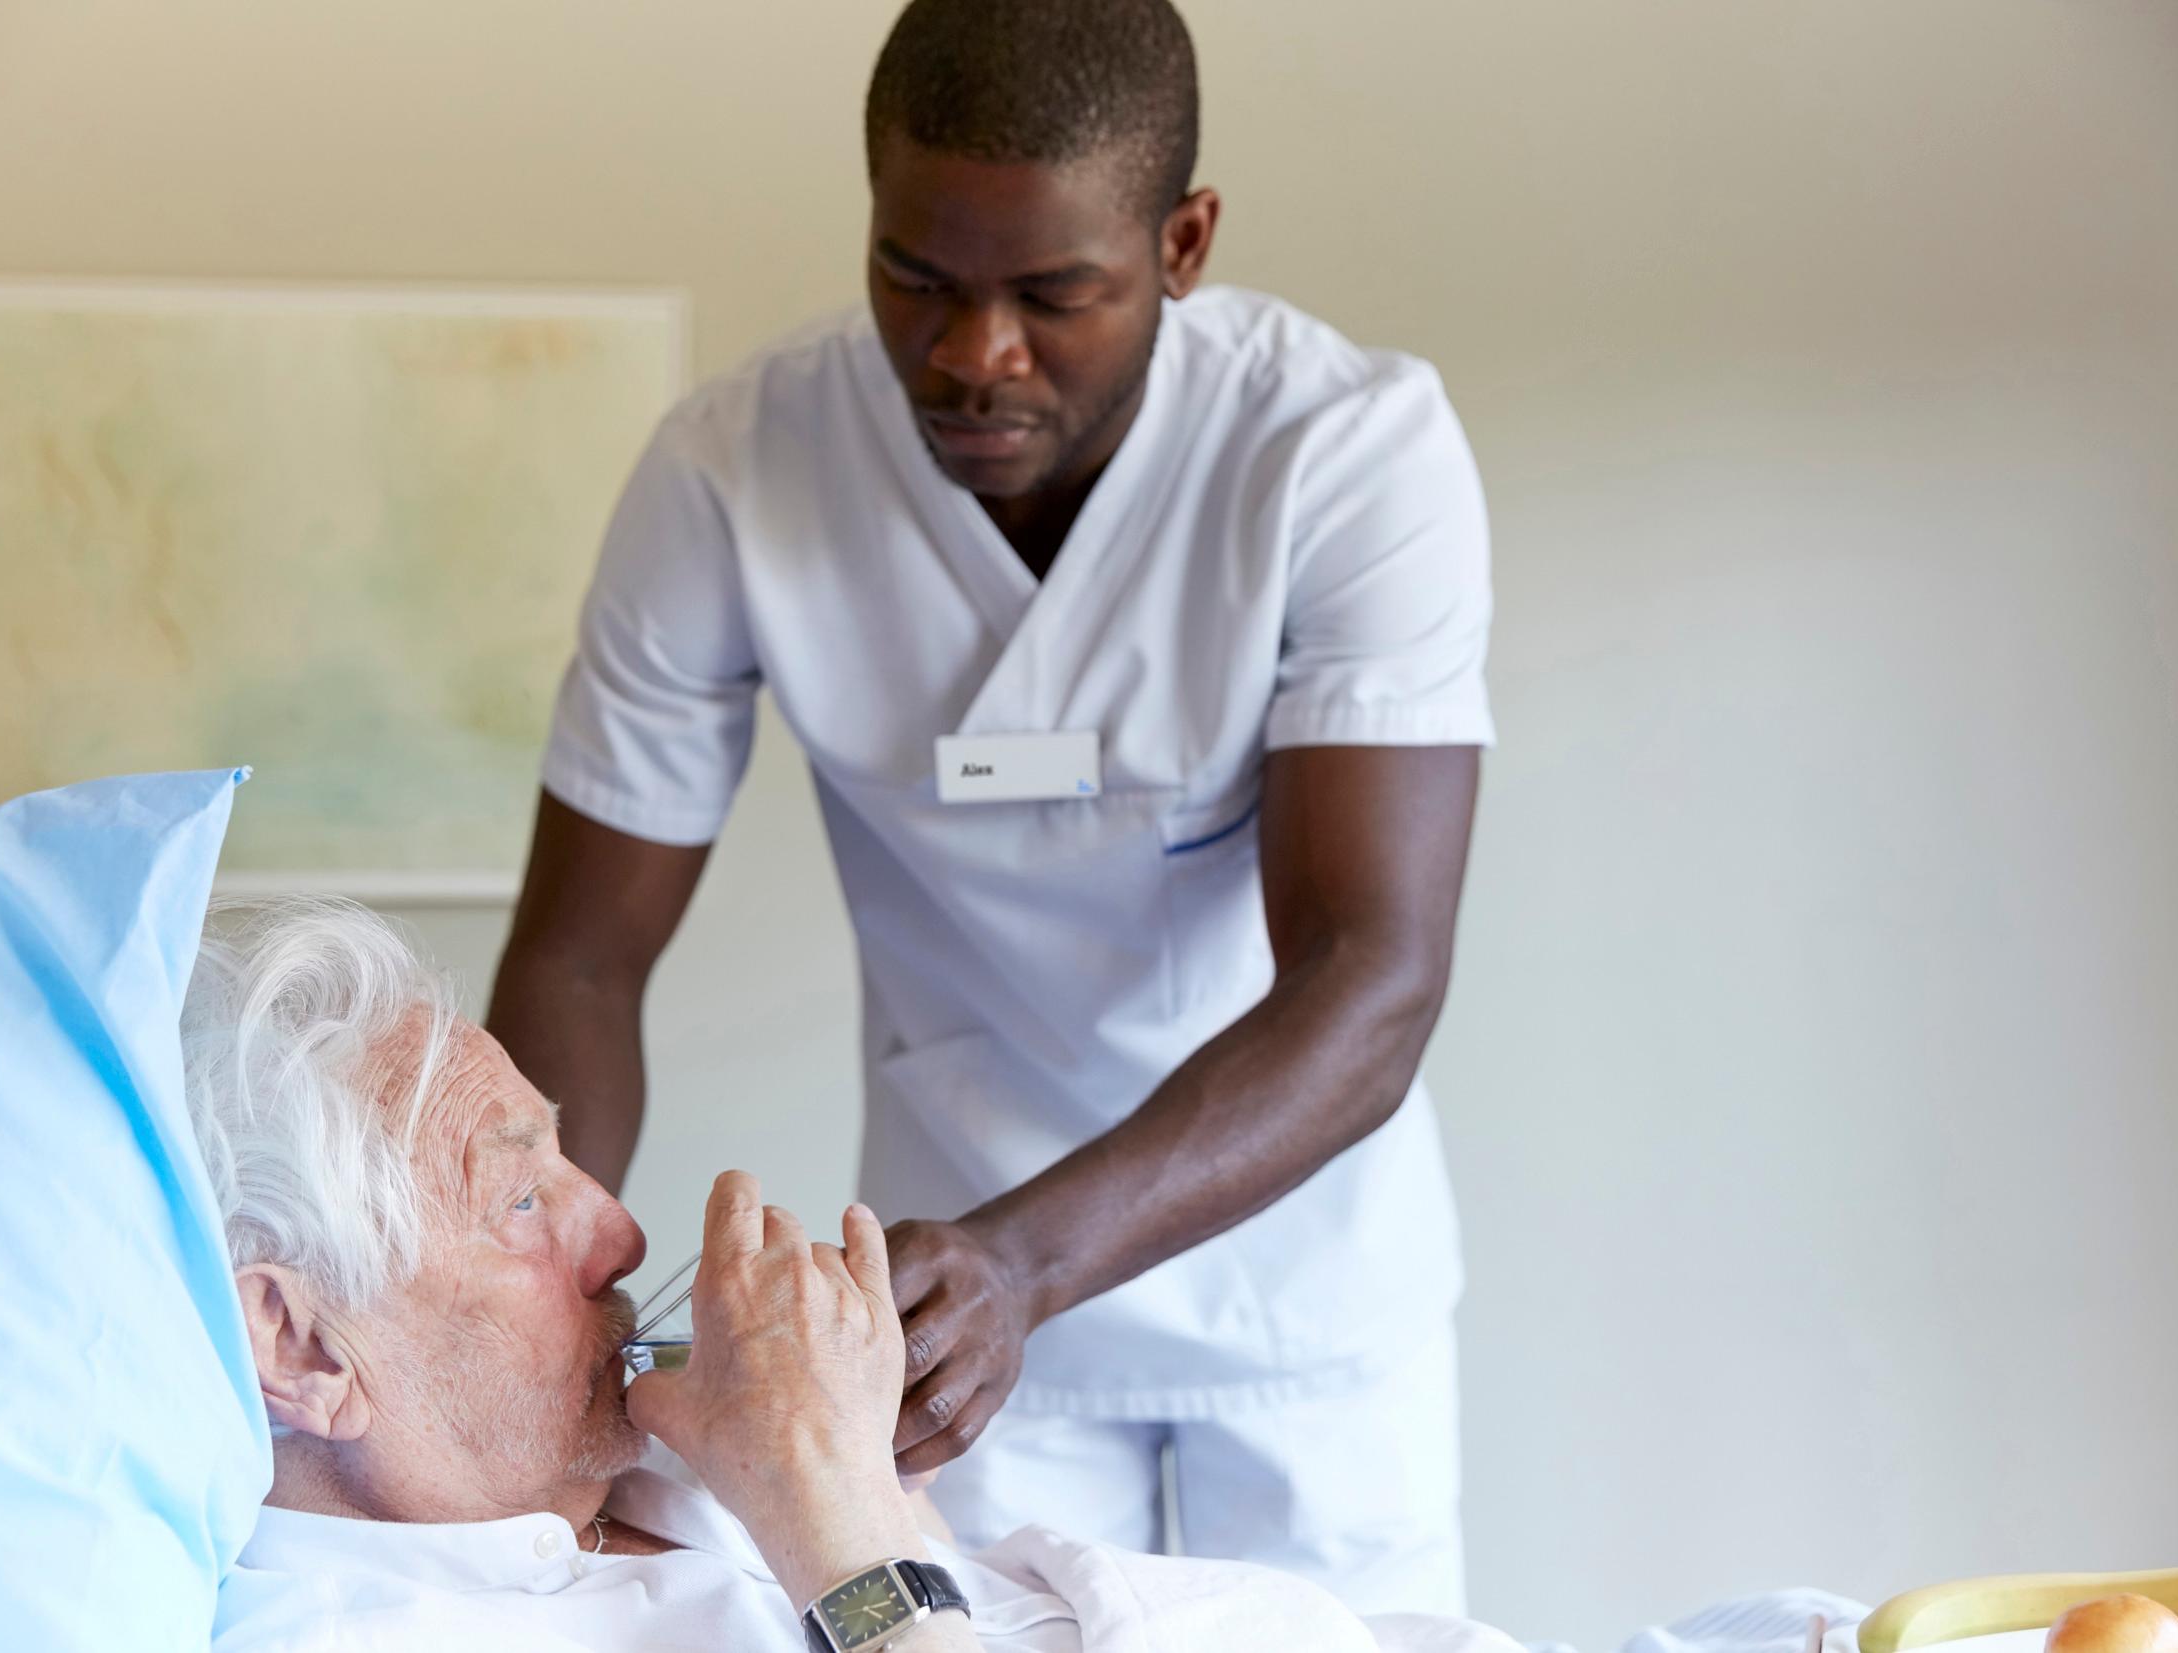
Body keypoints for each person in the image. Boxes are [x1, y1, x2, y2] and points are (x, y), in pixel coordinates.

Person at [487, 0, 1492, 1613]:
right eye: (919, 279)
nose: (974, 355)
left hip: (1293, 1301)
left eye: (1053, 295)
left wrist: (1029, 1255)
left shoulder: (1344, 452)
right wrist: (518, 1289)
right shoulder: (735, 471)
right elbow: (585, 956)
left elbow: (1372, 977)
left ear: (1182, 241)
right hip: (954, 1327)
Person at [189, 897, 1505, 1653]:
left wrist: (878, 1478)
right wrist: (841, 1519)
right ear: (300, 1341)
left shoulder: (596, 1478)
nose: (626, 1234)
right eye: (520, 1198)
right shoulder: (363, 1631)